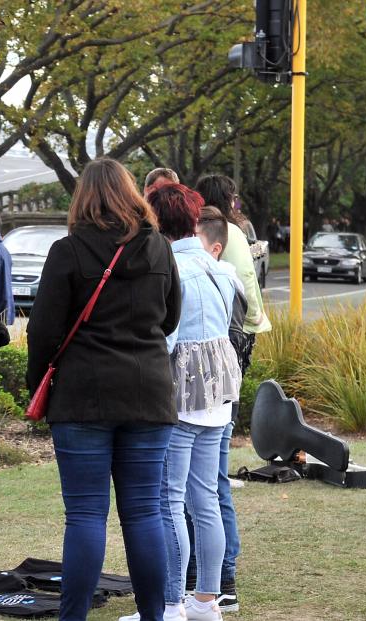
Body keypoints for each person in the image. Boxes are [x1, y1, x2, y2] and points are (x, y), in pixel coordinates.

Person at [27, 158, 181, 621]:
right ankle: (154, 615)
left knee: (86, 515)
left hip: (83, 395)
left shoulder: (68, 251)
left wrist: (38, 385)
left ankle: (72, 617)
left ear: (83, 197)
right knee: (144, 513)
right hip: (149, 391)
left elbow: (43, 330)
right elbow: (170, 317)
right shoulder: (159, 249)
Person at [145, 186, 242, 621]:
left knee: (169, 500)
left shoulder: (170, 269)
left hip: (181, 392)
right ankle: (205, 601)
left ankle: (170, 604)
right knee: (204, 500)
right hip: (220, 390)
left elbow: (163, 341)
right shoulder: (219, 267)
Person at [193, 174, 270, 613]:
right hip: (229, 366)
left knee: (206, 484)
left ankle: (219, 578)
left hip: (215, 371)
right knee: (210, 482)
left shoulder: (224, 240)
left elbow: (242, 300)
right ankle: (217, 577)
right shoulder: (241, 233)